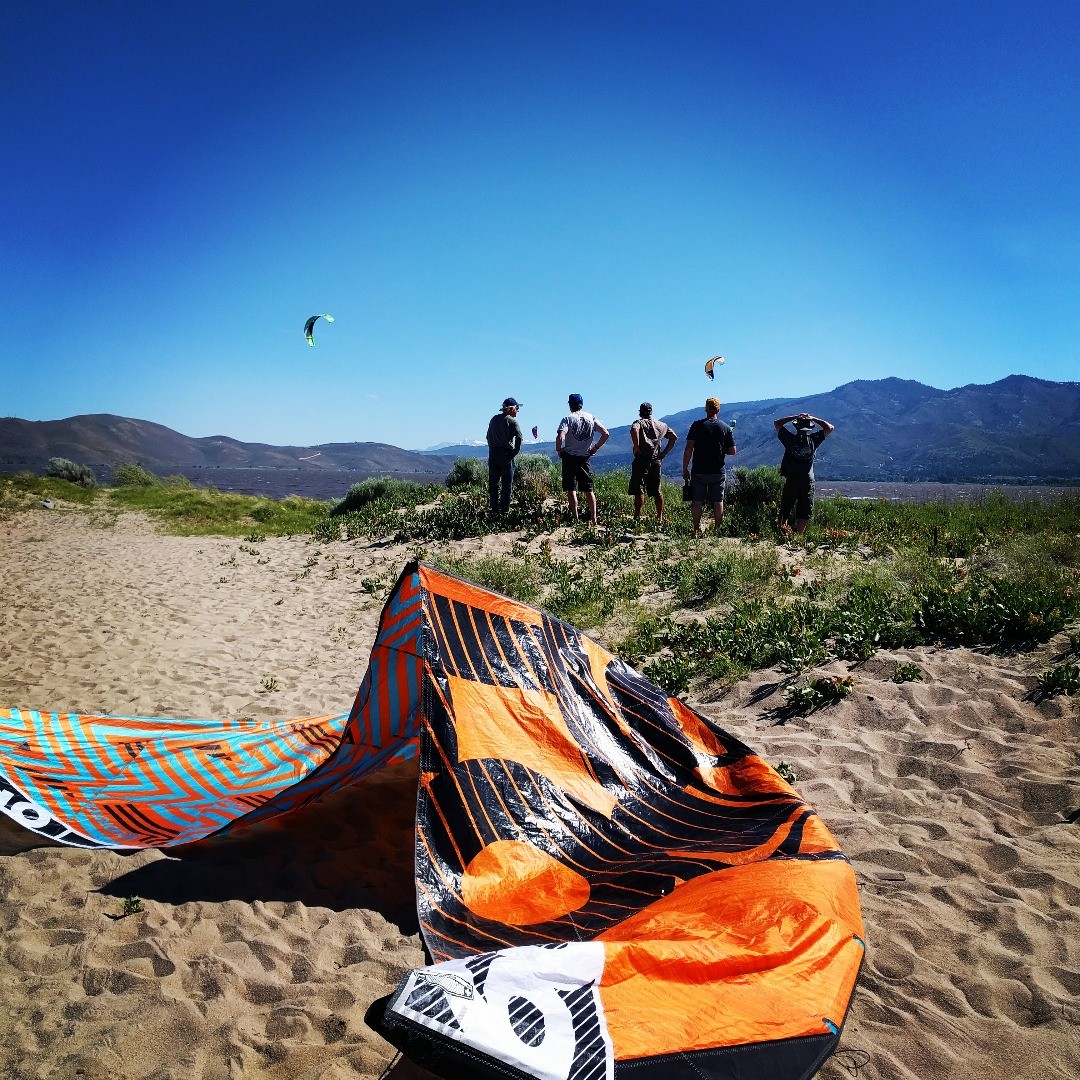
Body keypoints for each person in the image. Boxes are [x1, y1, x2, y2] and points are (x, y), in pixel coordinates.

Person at [681, 396, 736, 533]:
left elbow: (688, 448)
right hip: (718, 471)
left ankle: (696, 529)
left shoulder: (697, 426)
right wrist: (721, 448)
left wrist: (685, 468)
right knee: (718, 501)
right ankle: (717, 530)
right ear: (718, 409)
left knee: (697, 501)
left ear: (706, 409)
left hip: (699, 470)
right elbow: (732, 451)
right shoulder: (725, 428)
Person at [773, 411, 834, 533]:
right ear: (809, 428)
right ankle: (799, 536)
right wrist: (813, 418)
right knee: (804, 511)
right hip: (808, 480)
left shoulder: (789, 439)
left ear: (797, 427)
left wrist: (795, 416)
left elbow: (777, 423)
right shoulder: (814, 440)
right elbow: (830, 427)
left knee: (785, 508)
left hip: (792, 479)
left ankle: (783, 534)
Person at [556, 393, 609, 524]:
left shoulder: (567, 419)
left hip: (569, 457)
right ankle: (594, 519)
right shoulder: (591, 418)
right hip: (585, 457)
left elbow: (560, 436)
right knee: (588, 489)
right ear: (581, 404)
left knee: (571, 489)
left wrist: (559, 450)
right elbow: (605, 433)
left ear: (570, 405)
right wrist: (595, 447)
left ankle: (575, 519)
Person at [629, 402, 678, 524]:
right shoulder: (661, 425)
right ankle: (659, 516)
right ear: (651, 411)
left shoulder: (639, 423)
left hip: (642, 459)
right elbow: (673, 437)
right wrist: (664, 453)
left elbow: (634, 430)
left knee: (639, 489)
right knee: (657, 490)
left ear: (640, 412)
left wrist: (636, 447)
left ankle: (637, 517)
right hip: (656, 460)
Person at [485, 397, 523, 515]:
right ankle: (504, 511)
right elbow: (519, 437)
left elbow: (487, 436)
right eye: (517, 408)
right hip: (505, 454)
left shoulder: (494, 419)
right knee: (507, 484)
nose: (518, 410)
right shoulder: (511, 421)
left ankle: (494, 509)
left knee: (493, 483)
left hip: (493, 453)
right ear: (511, 409)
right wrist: (514, 451)